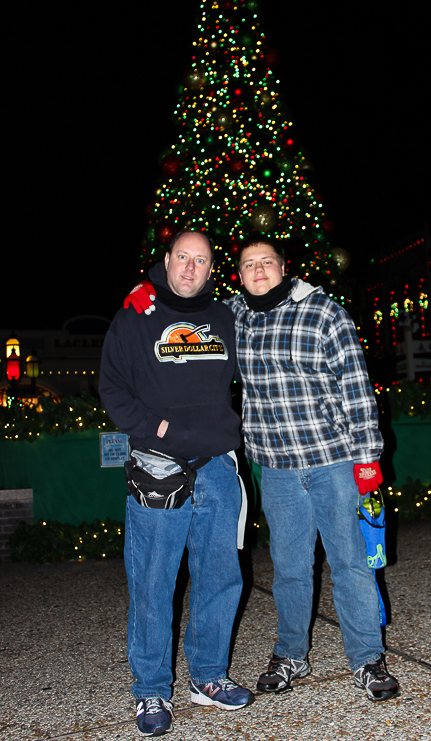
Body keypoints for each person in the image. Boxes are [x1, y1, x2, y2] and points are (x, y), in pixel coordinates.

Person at [125, 233, 400, 704]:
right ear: (237, 273)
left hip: (332, 459)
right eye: (249, 264)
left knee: (349, 563)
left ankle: (367, 659)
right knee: (291, 568)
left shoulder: (324, 312)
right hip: (275, 466)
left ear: (283, 267)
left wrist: (367, 458)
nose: (258, 271)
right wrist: (147, 289)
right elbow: (182, 303)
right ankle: (291, 654)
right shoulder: (232, 315)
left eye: (266, 262)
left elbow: (357, 387)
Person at [100, 230, 254, 738]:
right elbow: (112, 388)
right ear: (165, 261)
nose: (190, 267)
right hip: (157, 467)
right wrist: (158, 429)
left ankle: (208, 677)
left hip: (217, 467)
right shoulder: (133, 316)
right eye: (182, 257)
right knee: (152, 582)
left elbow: (271, 304)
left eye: (201, 260)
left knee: (220, 577)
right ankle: (150, 689)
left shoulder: (229, 318)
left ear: (212, 270)